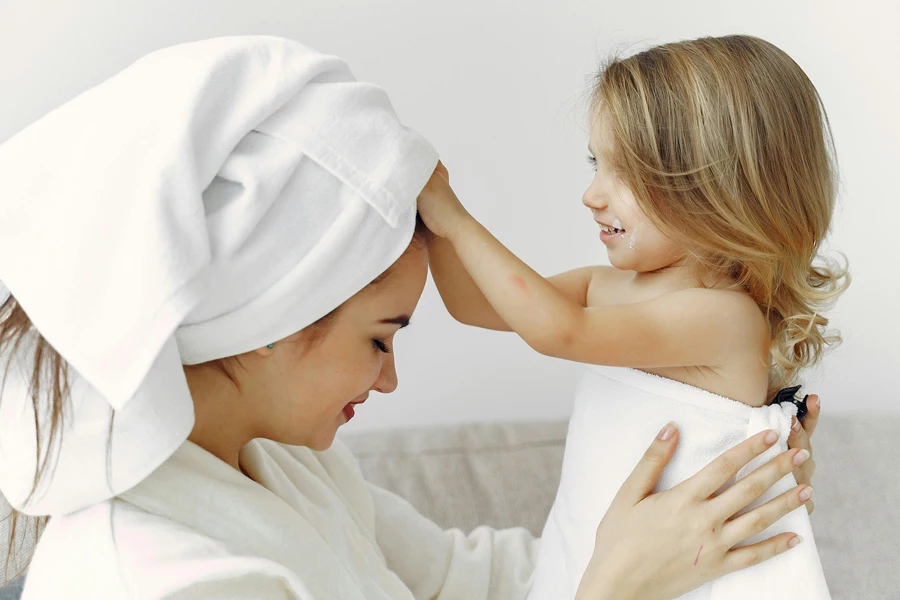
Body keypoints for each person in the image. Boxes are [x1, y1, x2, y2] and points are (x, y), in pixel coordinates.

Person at [0, 36, 818, 600]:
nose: (391, 378)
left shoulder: (285, 466)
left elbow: (458, 581)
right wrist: (614, 584)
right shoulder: (166, 576)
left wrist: (700, 518)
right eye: (382, 336)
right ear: (270, 319)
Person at [415, 35, 846, 600]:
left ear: (718, 187)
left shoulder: (725, 320)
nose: (591, 194)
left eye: (625, 171)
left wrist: (457, 221)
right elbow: (473, 304)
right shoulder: (607, 287)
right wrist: (428, 215)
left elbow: (557, 332)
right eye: (597, 163)